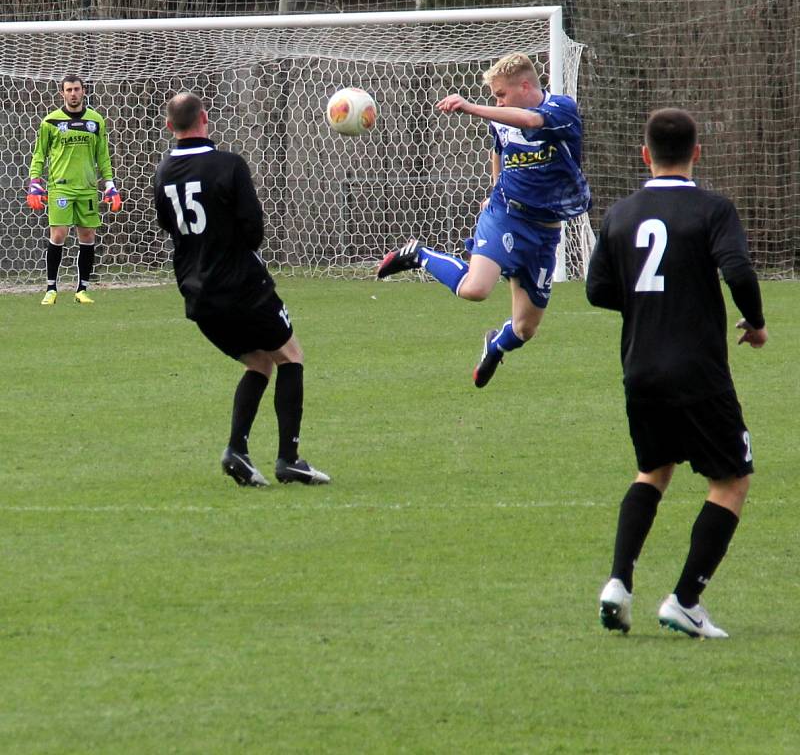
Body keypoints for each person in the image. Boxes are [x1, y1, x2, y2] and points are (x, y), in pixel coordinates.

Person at [587, 108, 768, 638]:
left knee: (653, 471)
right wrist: (755, 323)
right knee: (732, 480)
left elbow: (598, 290)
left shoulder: (620, 213)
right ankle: (686, 600)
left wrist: (648, 303)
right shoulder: (712, 209)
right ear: (697, 153)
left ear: (645, 155)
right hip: (697, 370)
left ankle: (617, 584)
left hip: (640, 367)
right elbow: (736, 268)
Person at [376, 52, 591, 387]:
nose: (497, 102)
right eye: (493, 98)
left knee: (524, 329)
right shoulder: (501, 116)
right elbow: (498, 148)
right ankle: (418, 254)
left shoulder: (561, 109)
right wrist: (494, 189)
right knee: (476, 289)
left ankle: (495, 345)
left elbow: (531, 122)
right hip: (505, 215)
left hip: (544, 231)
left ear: (524, 85)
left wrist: (470, 107)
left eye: (500, 95)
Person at [153, 92, 329, 488]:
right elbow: (253, 232)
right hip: (242, 287)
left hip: (198, 294)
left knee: (258, 362)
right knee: (291, 356)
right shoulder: (228, 164)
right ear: (205, 118)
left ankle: (238, 451)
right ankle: (289, 459)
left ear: (170, 126)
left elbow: (169, 226)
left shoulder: (163, 172)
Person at [27, 74, 122, 305]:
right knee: (58, 234)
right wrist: (34, 182)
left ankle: (82, 289)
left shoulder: (96, 120)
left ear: (83, 91)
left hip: (87, 188)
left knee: (88, 236)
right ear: (62, 93)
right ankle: (51, 288)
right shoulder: (50, 121)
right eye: (68, 89)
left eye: (76, 89)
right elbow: (40, 153)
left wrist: (110, 184)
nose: (73, 93)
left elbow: (103, 156)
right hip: (60, 187)